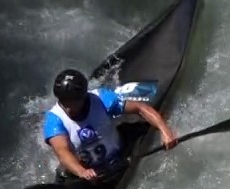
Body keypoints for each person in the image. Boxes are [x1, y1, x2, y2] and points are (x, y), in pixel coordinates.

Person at [43, 69, 178, 181]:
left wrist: (165, 130)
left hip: (120, 154)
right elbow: (62, 152)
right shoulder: (54, 119)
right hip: (87, 174)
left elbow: (140, 108)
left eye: (72, 102)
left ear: (83, 96)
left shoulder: (101, 98)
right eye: (64, 102)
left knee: (147, 126)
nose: (68, 108)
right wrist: (82, 172)